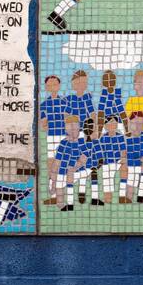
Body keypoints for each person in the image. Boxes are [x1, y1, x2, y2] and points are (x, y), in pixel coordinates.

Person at [40, 75, 68, 206]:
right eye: (50, 85)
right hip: (51, 136)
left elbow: (69, 119)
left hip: (63, 136)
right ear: (46, 87)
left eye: (55, 84)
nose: (52, 87)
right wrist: (46, 124)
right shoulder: (44, 105)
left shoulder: (65, 102)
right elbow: (43, 124)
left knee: (62, 164)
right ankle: (53, 191)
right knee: (51, 164)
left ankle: (61, 195)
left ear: (59, 86)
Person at [53, 113, 90, 212]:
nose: (73, 130)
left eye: (75, 128)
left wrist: (74, 168)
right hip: (63, 170)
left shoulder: (81, 142)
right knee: (58, 184)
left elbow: (85, 157)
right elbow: (57, 160)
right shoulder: (63, 143)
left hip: (78, 170)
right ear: (66, 129)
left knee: (69, 176)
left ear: (79, 128)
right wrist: (53, 174)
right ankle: (60, 202)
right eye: (70, 128)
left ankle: (70, 203)